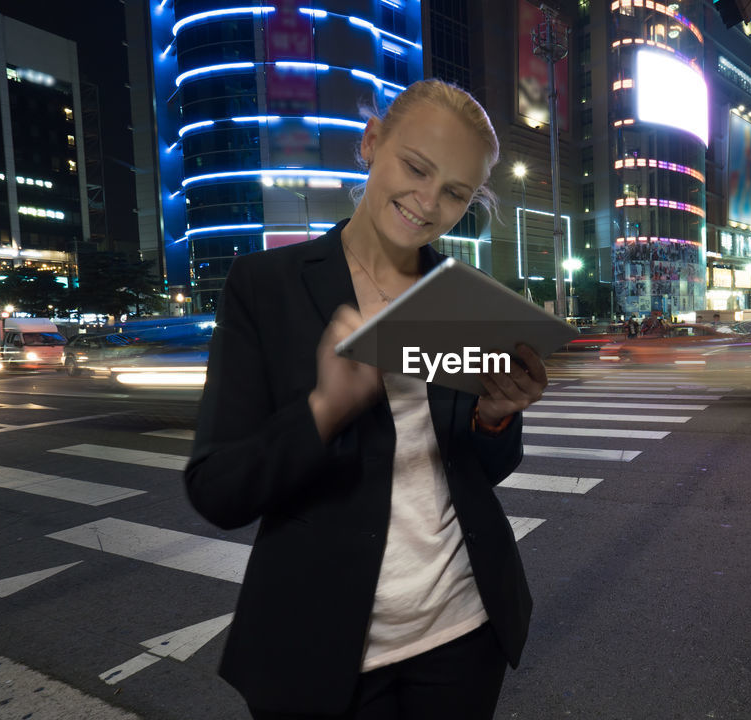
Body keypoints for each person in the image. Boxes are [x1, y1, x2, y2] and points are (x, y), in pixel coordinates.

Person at [184, 79, 546, 719]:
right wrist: (325, 410)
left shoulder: (462, 299)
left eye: (456, 193)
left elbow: (480, 469)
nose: (428, 202)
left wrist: (495, 418)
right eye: (415, 167)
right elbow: (217, 489)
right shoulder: (266, 286)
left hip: (462, 628)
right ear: (371, 143)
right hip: (321, 646)